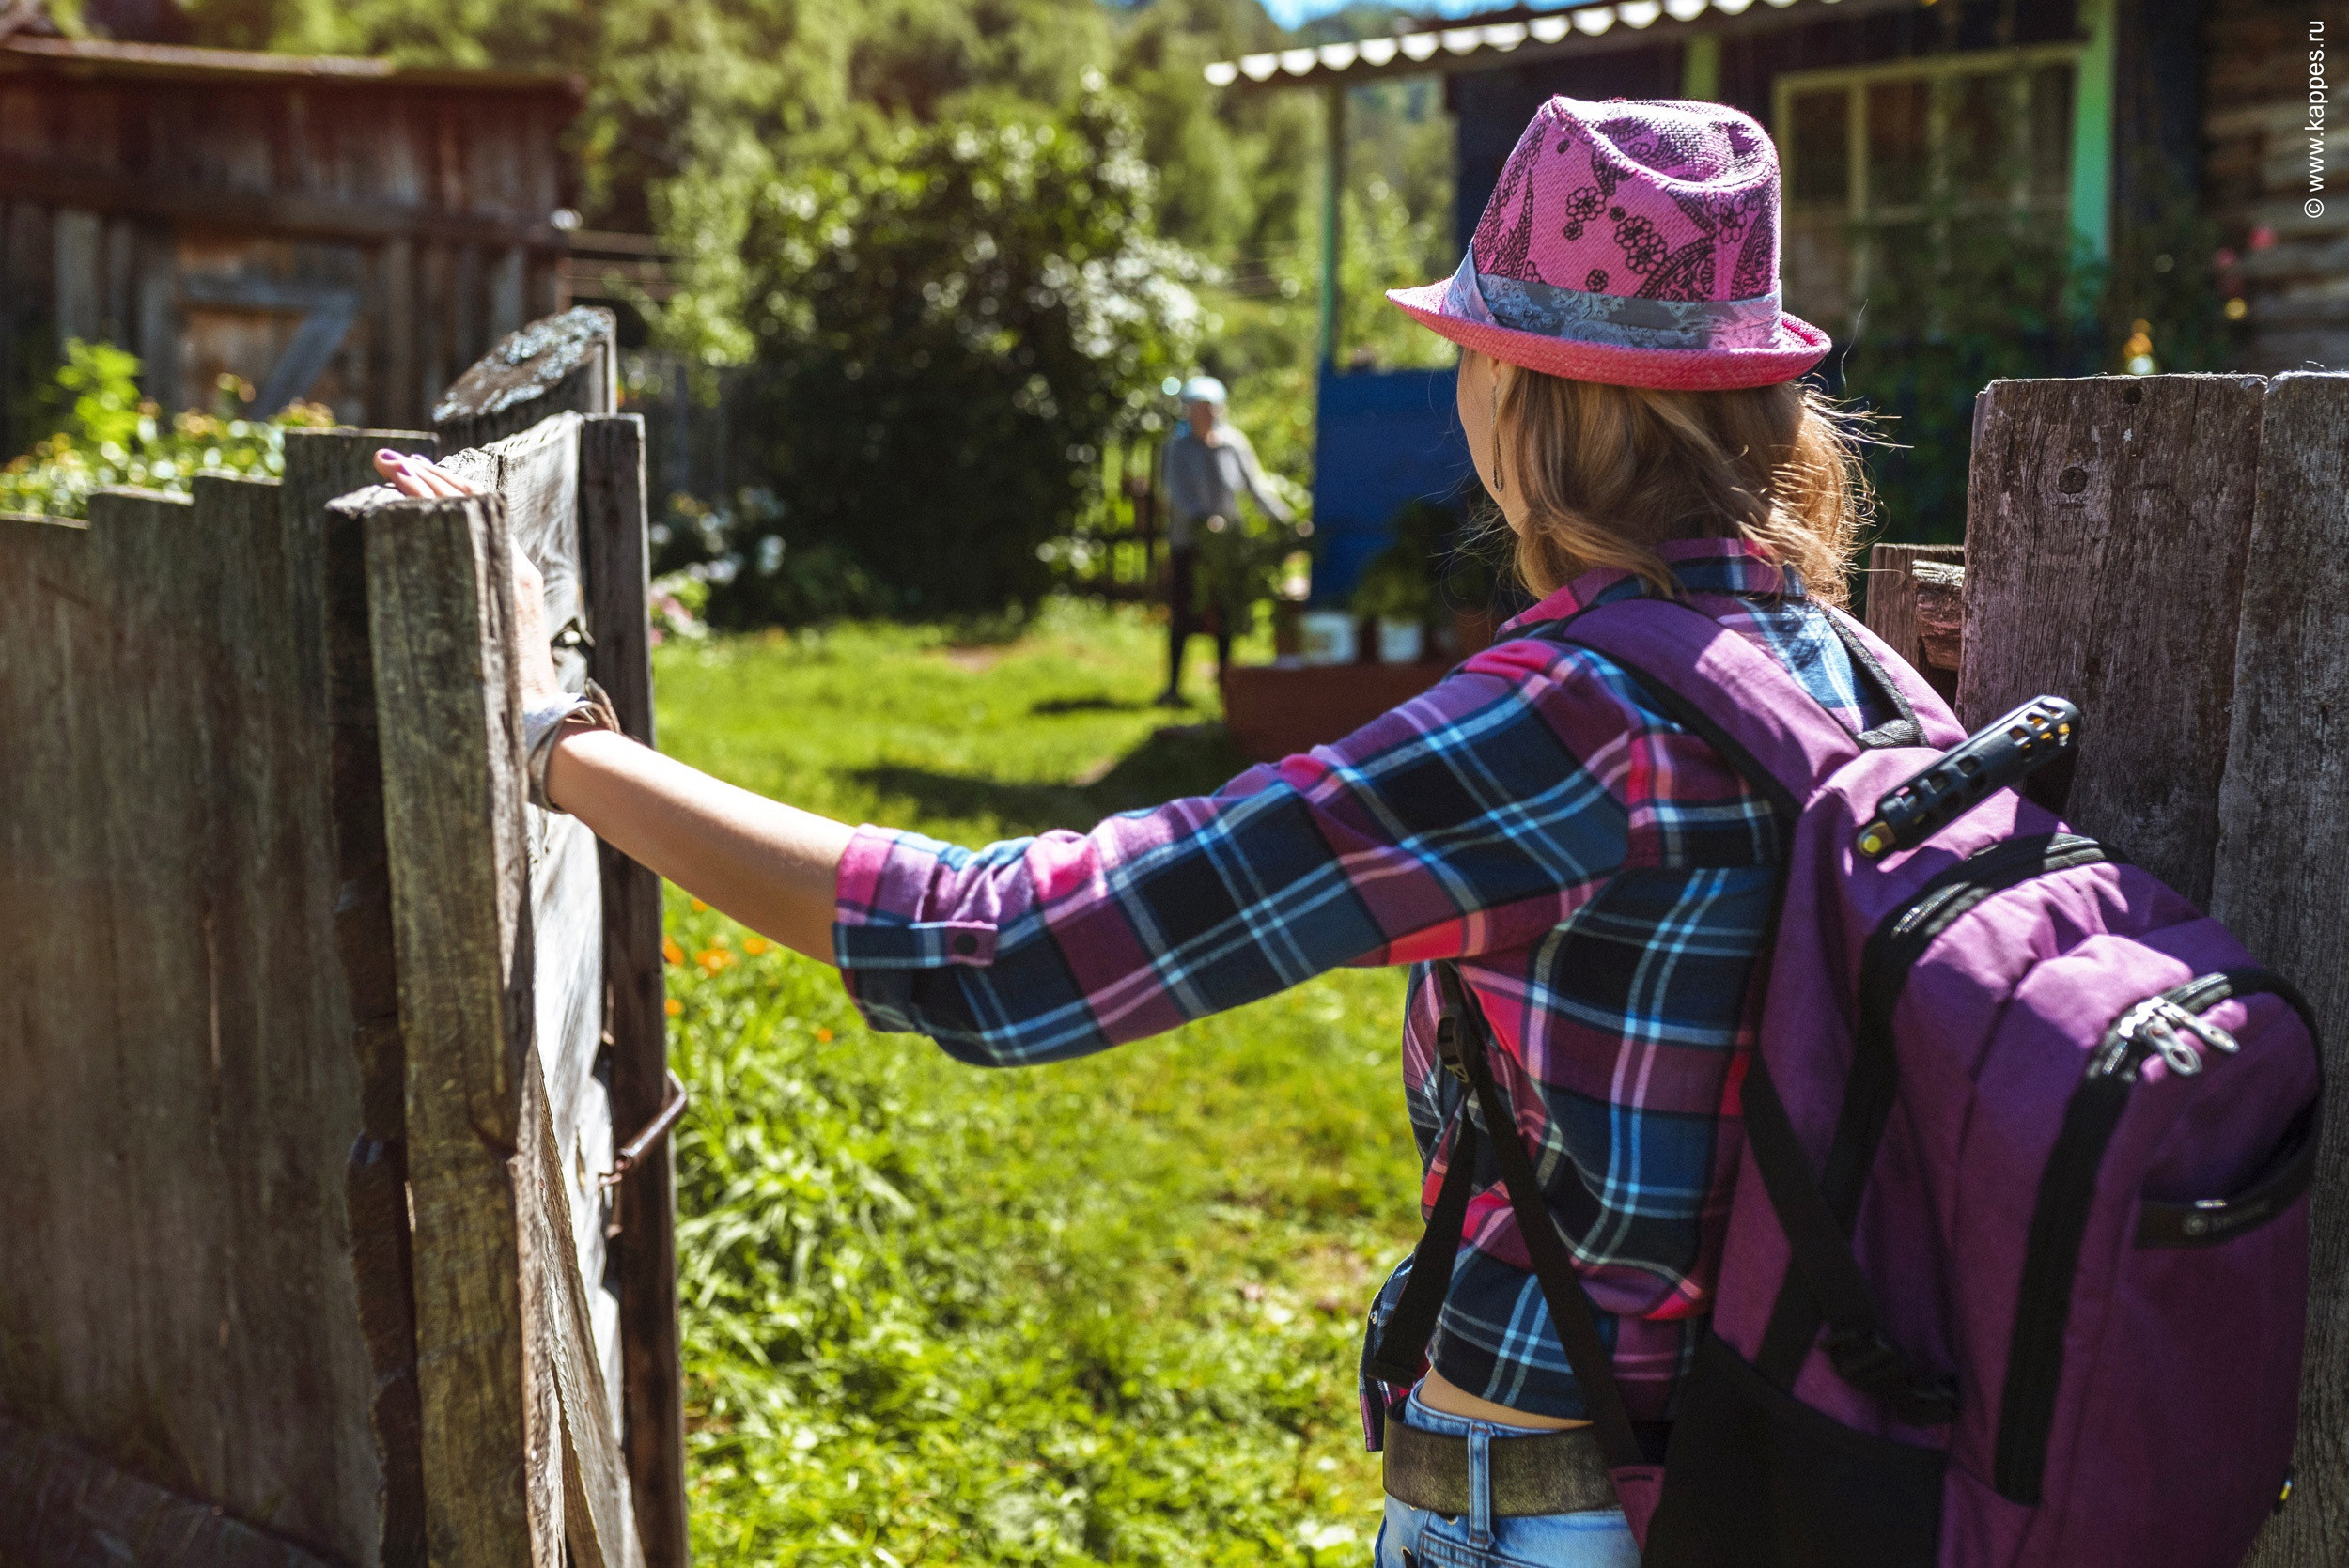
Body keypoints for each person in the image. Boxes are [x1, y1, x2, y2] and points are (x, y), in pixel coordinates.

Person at [378, 95, 1855, 1568]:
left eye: (1468, 348)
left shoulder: (1571, 726)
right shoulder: (1856, 681)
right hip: (1789, 1463)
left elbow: (1001, 948)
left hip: (1556, 1501)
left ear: (1522, 391)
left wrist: (557, 743)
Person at [1156, 375, 1291, 705]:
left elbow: (1256, 487)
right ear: (1189, 411)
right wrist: (1204, 519)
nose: (1206, 414)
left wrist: (1286, 520)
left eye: (1211, 407)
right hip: (1189, 544)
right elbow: (1174, 493)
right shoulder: (1177, 449)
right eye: (1199, 408)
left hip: (1228, 548)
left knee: (1225, 614)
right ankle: (1173, 689)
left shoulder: (1234, 444)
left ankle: (1225, 688)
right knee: (1185, 613)